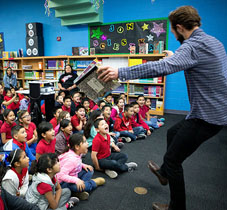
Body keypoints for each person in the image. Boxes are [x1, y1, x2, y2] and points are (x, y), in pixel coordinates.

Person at [97, 6, 227, 210]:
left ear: (179, 28)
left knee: (174, 161)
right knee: (172, 133)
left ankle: (176, 204)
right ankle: (164, 172)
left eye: (173, 31)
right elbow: (196, 61)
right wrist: (176, 56)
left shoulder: (191, 47)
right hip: (217, 110)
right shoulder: (213, 42)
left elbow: (162, 67)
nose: (173, 35)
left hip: (206, 117)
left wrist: (120, 72)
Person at [56, 133, 105, 200]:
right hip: (63, 183)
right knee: (78, 187)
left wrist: (83, 165)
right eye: (84, 142)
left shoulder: (77, 153)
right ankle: (93, 183)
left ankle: (79, 189)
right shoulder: (71, 160)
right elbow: (61, 176)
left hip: (73, 175)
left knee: (90, 170)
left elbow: (77, 162)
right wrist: (76, 180)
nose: (87, 143)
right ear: (77, 147)